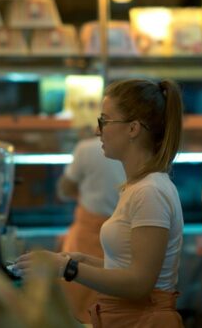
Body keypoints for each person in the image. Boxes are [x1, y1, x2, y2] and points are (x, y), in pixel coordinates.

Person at [16, 78, 185, 328]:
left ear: (133, 128)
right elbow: (127, 267)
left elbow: (140, 284)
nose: (98, 131)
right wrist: (81, 259)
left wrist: (68, 268)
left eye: (104, 121)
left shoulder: (151, 191)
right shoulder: (138, 187)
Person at [56, 134, 125, 323]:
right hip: (121, 237)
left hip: (87, 237)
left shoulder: (85, 148)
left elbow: (64, 189)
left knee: (84, 308)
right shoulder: (134, 151)